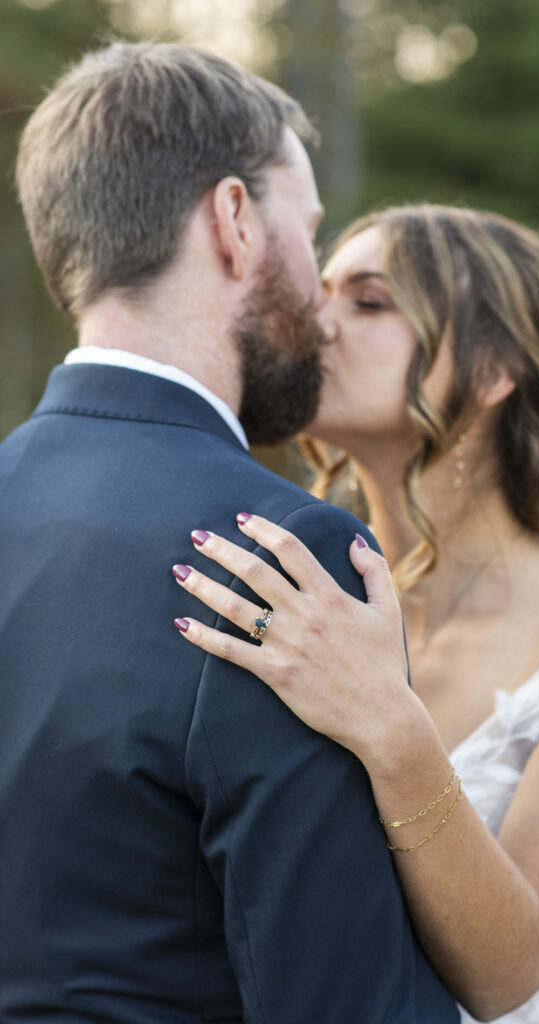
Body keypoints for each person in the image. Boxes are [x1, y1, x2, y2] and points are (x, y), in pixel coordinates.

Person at [0, 42, 468, 1022]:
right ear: (234, 221)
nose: (319, 300)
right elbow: (349, 1000)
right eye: (310, 230)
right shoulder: (279, 555)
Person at [172, 205, 539, 1023]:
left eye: (368, 303)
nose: (317, 322)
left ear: (491, 371)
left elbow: (504, 974)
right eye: (323, 290)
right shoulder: (309, 604)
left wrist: (388, 724)